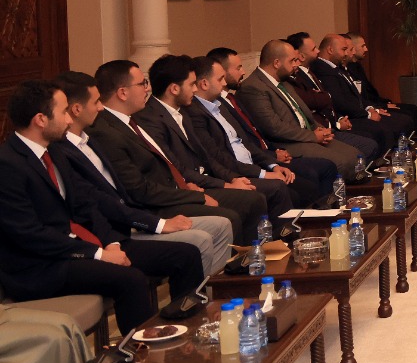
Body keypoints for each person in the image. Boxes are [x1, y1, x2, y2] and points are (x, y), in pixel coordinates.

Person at [0, 81, 195, 332]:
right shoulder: (8, 165)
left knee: (185, 255)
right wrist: (98, 254)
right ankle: (141, 351)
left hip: (80, 247)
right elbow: (29, 234)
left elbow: (86, 204)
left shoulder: (54, 151)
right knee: (130, 279)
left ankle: (187, 334)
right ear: (40, 119)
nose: (69, 120)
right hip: (41, 266)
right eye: (63, 112)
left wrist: (110, 242)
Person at [49, 71, 234, 275]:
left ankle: (217, 288)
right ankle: (200, 293)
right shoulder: (69, 149)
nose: (101, 108)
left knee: (222, 225)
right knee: (199, 241)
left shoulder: (89, 140)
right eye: (96, 102)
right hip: (120, 226)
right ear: (76, 109)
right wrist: (157, 223)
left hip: (138, 212)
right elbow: (100, 200)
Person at [87, 60, 248, 244]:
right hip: (156, 206)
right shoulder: (107, 132)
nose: (147, 89)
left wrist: (187, 187)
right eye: (142, 84)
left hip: (177, 190)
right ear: (123, 92)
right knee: (229, 217)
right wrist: (194, 196)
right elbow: (139, 189)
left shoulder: (130, 121)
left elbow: (169, 162)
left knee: (248, 200)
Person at [136, 55, 281, 228]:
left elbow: (207, 157)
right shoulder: (150, 119)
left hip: (206, 180)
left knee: (261, 192)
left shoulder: (182, 111)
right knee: (252, 199)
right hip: (188, 188)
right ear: (174, 89)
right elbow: (178, 167)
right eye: (191, 84)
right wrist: (226, 185)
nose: (195, 89)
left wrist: (233, 179)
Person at [190, 55, 338, 207]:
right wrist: (263, 173)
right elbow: (219, 157)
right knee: (291, 190)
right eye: (220, 79)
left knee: (307, 185)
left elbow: (246, 142)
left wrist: (273, 165)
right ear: (204, 84)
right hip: (237, 172)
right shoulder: (196, 114)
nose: (224, 83)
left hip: (255, 163)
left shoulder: (220, 105)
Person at [236, 40, 362, 179]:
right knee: (341, 163)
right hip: (287, 143)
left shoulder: (284, 82)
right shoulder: (253, 87)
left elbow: (303, 113)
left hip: (306, 135)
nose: (297, 64)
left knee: (356, 155)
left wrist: (319, 129)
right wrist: (313, 136)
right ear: (277, 63)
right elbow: (273, 128)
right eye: (292, 61)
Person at [312, 34, 412, 150]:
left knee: (402, 120)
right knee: (382, 129)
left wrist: (370, 108)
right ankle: (392, 157)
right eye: (344, 49)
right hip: (348, 117)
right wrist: (367, 114)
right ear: (330, 50)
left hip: (355, 112)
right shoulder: (322, 69)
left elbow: (357, 95)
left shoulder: (337, 68)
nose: (346, 54)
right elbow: (339, 102)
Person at [342, 32, 417, 127]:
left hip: (374, 105)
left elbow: (369, 93)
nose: (366, 49)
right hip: (368, 108)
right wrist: (380, 106)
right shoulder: (345, 71)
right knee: (406, 116)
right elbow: (359, 98)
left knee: (413, 109)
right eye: (363, 46)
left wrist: (384, 103)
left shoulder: (357, 66)